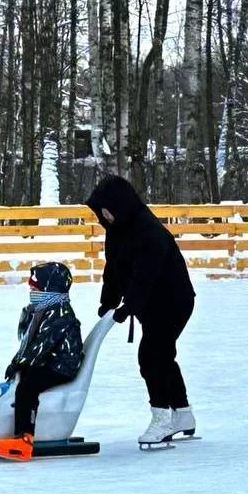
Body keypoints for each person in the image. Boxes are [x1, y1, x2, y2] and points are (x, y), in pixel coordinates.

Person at [84, 174, 197, 446]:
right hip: (151, 303)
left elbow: (145, 275)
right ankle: (182, 414)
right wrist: (108, 302)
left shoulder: (149, 231)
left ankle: (161, 419)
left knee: (151, 357)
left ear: (119, 205)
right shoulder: (117, 231)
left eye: (106, 210)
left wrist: (129, 306)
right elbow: (114, 269)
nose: (103, 216)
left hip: (173, 301)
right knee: (162, 356)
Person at [0, 262, 83, 461]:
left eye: (35, 289)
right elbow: (30, 343)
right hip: (50, 361)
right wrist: (19, 362)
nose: (31, 292)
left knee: (27, 386)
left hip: (61, 366)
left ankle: (24, 439)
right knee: (23, 379)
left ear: (50, 290)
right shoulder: (44, 310)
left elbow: (41, 346)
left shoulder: (60, 314)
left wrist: (21, 363)